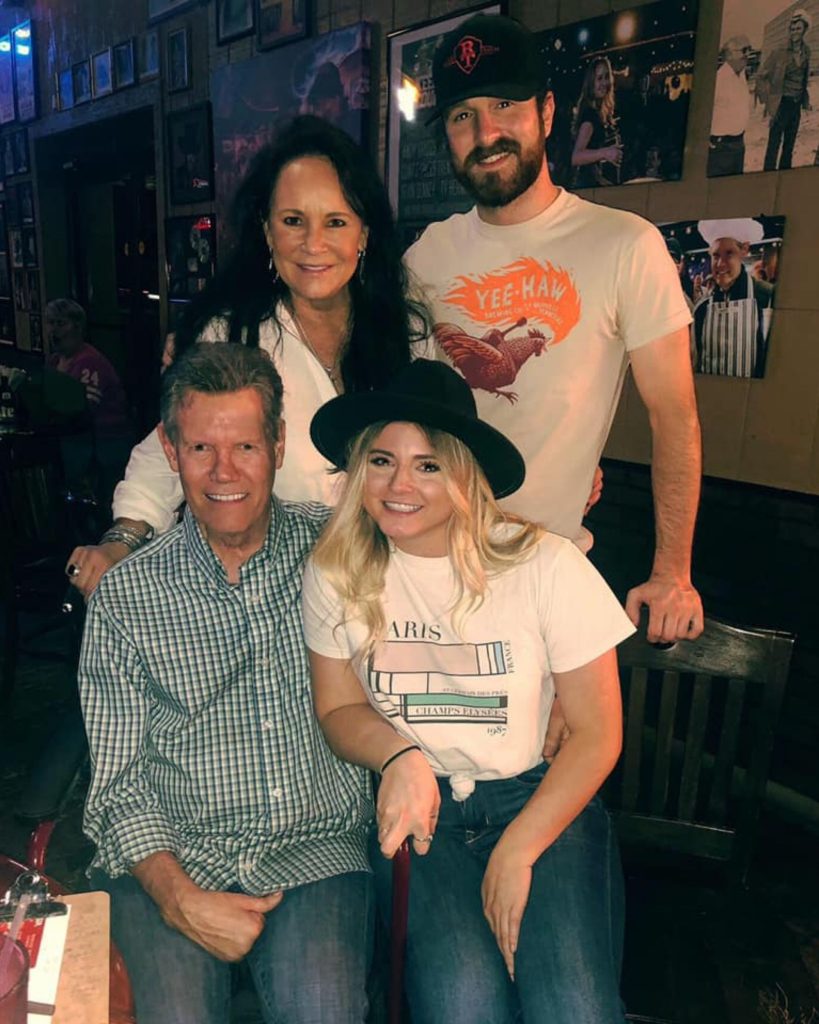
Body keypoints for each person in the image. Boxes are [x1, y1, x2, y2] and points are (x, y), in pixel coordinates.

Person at [303, 359, 633, 1023]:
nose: (399, 485)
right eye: (381, 460)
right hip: (424, 817)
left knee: (571, 1008)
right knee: (464, 1005)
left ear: (463, 473)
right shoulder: (336, 569)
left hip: (539, 799)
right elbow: (337, 707)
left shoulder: (545, 563)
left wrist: (517, 852)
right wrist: (398, 757)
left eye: (427, 465)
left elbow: (597, 734)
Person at [79, 343, 374, 1024]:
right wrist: (177, 897)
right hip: (172, 853)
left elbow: (449, 555)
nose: (224, 472)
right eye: (200, 448)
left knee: (323, 1011)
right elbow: (117, 783)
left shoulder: (338, 552)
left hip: (315, 848)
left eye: (245, 446)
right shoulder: (127, 597)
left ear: (277, 445)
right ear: (170, 450)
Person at [406, 13, 703, 643]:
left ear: (545, 113)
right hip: (424, 570)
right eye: (463, 115)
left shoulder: (625, 245)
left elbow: (674, 416)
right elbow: (404, 411)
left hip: (544, 577)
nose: (485, 133)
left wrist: (672, 572)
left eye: (504, 106)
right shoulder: (425, 255)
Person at [65, 114, 429, 598]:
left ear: (363, 234)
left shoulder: (409, 334)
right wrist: (121, 541)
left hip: (397, 592)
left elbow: (445, 458)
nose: (313, 244)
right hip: (276, 601)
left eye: (336, 222)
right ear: (267, 231)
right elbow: (175, 447)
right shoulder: (232, 334)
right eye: (293, 221)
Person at [45, 298, 132, 507]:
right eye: (51, 323)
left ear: (77, 327)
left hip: (103, 444)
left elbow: (82, 410)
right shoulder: (54, 361)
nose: (54, 330)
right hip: (76, 441)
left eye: (61, 323)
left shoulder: (90, 361)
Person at [692, 218, 774, 379]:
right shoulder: (701, 309)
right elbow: (695, 361)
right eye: (716, 255)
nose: (720, 264)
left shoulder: (767, 298)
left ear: (744, 250)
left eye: (729, 253)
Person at [758, 9, 812, 172]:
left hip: (796, 105)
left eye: (798, 28)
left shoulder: (807, 51)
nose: (795, 32)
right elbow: (762, 75)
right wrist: (769, 100)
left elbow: (803, 78)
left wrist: (805, 99)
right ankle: (767, 179)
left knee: (789, 146)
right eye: (792, 29)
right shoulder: (779, 51)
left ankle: (784, 178)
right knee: (773, 146)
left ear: (805, 29)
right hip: (781, 104)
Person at [570, 56, 623, 188]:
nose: (604, 83)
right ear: (591, 83)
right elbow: (576, 157)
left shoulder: (599, 113)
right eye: (599, 78)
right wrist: (605, 153)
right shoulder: (590, 115)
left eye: (606, 77)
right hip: (587, 187)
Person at [708, 35, 753, 177]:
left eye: (749, 50)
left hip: (738, 144)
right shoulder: (718, 79)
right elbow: (701, 112)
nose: (747, 54)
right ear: (729, 55)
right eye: (743, 50)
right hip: (721, 148)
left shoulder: (741, 75)